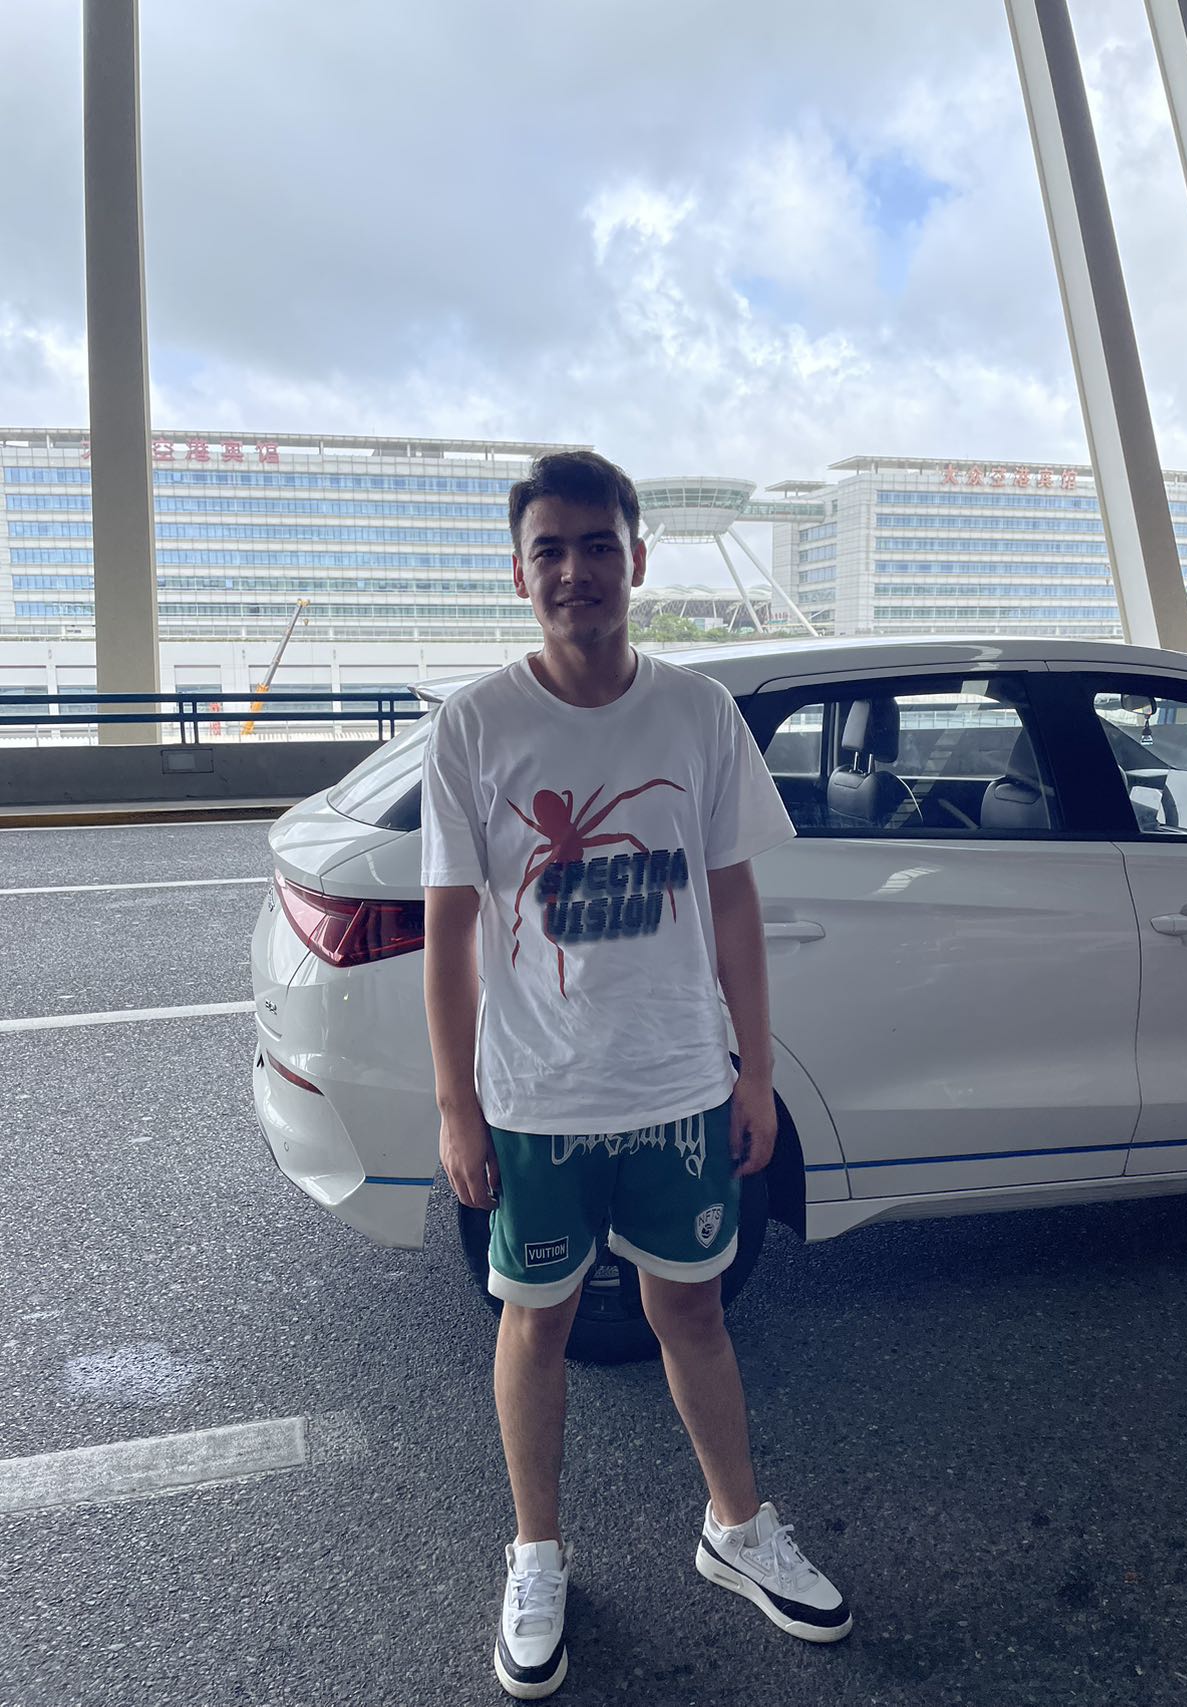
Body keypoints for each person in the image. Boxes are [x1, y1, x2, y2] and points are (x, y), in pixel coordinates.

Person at [421, 450, 850, 1699]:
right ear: (518, 574)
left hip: (677, 1084)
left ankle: (737, 1528)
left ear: (636, 559)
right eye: (548, 550)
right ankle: (536, 1553)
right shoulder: (474, 725)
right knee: (536, 1321)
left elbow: (732, 903)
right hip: (536, 1098)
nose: (575, 570)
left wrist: (752, 1073)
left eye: (597, 545)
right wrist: (456, 1107)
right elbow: (448, 933)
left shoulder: (695, 714)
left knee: (693, 1310)